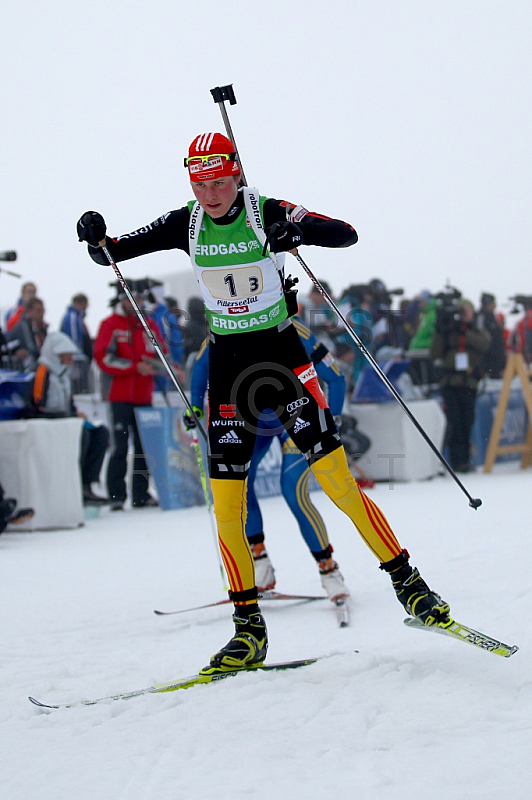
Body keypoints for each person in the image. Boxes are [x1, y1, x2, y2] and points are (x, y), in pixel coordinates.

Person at [78, 130, 452, 672]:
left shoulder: (265, 210)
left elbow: (344, 233)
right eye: (199, 182)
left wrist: (293, 230)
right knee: (226, 501)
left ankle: (410, 585)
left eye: (219, 180)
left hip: (283, 360)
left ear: (236, 173)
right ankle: (248, 628)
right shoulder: (186, 222)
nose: (210, 193)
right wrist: (96, 236)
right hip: (229, 372)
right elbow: (111, 253)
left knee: (338, 484)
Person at [184, 315, 350, 604]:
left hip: (296, 419)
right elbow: (200, 367)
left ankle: (329, 570)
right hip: (255, 424)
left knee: (293, 491)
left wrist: (331, 417)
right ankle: (260, 563)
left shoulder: (291, 324)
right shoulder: (226, 323)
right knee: (241, 486)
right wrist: (195, 407)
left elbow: (336, 377)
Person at [93, 282, 164, 510]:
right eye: (132, 299)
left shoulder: (148, 324)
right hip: (119, 396)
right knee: (120, 447)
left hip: (144, 396)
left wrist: (156, 367)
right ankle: (116, 496)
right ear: (122, 300)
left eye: (140, 300)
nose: (136, 304)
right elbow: (103, 358)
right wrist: (135, 367)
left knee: (144, 447)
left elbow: (161, 352)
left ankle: (141, 495)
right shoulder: (110, 325)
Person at [29, 331, 110, 506]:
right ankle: (76, 483)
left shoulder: (63, 374)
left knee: (101, 434)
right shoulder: (42, 372)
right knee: (83, 436)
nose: (70, 359)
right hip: (49, 422)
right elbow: (36, 404)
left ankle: (87, 483)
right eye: (67, 355)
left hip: (66, 420)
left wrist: (75, 412)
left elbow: (68, 401)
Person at [430, 299, 491, 472]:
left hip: (469, 382)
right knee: (454, 422)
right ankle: (457, 461)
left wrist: (465, 333)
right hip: (450, 382)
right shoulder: (448, 332)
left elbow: (485, 343)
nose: (465, 315)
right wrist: (441, 330)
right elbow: (434, 352)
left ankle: (464, 459)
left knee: (467, 421)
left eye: (467, 311)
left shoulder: (475, 331)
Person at [60, 292, 94, 393]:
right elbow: (74, 339)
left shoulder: (77, 317)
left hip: (77, 359)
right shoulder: (72, 317)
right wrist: (79, 356)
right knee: (76, 386)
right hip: (76, 360)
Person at [7, 296, 48, 371]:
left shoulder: (42, 327)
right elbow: (30, 346)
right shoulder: (23, 326)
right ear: (29, 311)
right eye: (38, 310)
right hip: (23, 367)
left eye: (43, 311)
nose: (41, 314)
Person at [476, 293, 506, 379]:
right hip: (488, 357)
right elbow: (480, 334)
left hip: (496, 356)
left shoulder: (492, 316)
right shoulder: (481, 316)